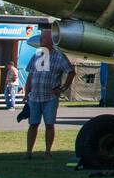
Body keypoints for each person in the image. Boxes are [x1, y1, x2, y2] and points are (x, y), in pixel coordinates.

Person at [23, 30, 75, 160]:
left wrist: (62, 89)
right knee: (33, 124)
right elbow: (30, 74)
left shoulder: (59, 56)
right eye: (41, 38)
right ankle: (29, 151)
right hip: (34, 96)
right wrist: (26, 92)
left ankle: (47, 151)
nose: (41, 41)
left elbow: (71, 72)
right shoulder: (37, 55)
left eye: (43, 38)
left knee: (49, 124)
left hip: (50, 97)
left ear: (51, 40)